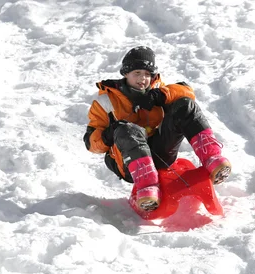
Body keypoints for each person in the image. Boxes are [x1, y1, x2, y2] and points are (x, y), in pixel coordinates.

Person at [83, 46, 231, 212]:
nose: (143, 79)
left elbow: (187, 92)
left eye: (147, 74)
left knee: (185, 105)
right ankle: (147, 187)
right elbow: (90, 143)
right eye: (137, 73)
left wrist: (161, 95)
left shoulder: (156, 89)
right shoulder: (106, 101)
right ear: (126, 74)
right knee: (128, 129)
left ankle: (212, 157)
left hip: (160, 153)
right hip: (128, 163)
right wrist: (110, 133)